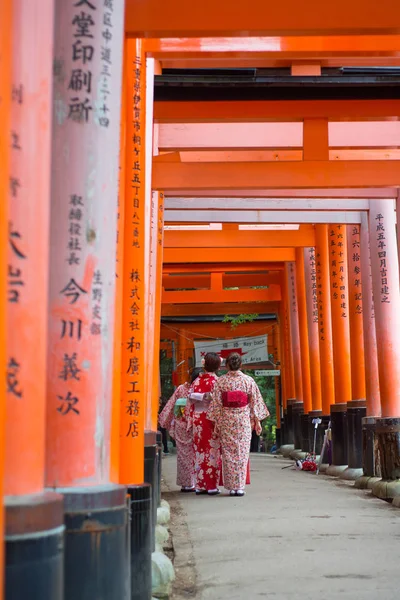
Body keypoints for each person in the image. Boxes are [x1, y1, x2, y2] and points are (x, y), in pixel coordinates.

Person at [208, 352, 269, 497]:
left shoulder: (221, 382)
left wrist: (217, 422)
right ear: (240, 365)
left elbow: (216, 405)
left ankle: (231, 487)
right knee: (242, 452)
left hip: (226, 419)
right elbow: (255, 402)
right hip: (243, 420)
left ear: (227, 365)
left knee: (228, 453)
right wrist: (257, 420)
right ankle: (239, 487)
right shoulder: (248, 381)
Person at [158, 369, 202, 492]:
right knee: (195, 454)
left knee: (183, 455)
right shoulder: (200, 389)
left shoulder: (181, 388)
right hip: (196, 424)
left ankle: (185, 484)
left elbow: (171, 405)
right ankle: (194, 482)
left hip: (181, 424)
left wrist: (165, 421)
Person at [187, 352, 222, 496]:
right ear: (218, 366)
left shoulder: (196, 381)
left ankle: (200, 485)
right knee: (212, 451)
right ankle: (211, 485)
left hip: (198, 418)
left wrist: (200, 397)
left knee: (199, 450)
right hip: (211, 419)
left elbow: (189, 396)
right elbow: (220, 401)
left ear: (204, 364)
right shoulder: (218, 382)